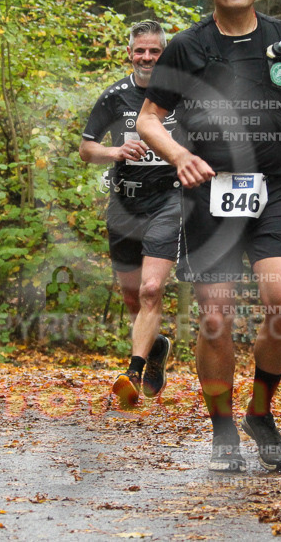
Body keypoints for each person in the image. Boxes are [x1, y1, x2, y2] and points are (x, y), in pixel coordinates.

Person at [136, 0, 281, 472]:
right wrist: (178, 156)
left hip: (270, 188)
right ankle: (223, 427)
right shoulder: (186, 47)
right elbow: (149, 118)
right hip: (208, 194)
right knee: (217, 318)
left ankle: (261, 412)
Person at [80, 20, 179, 408]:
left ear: (164, 54)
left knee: (151, 289)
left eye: (155, 51)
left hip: (170, 203)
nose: (147, 57)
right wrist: (114, 152)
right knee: (132, 298)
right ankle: (157, 348)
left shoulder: (180, 96)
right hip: (124, 204)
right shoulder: (115, 96)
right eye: (141, 50)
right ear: (129, 54)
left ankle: (133, 373)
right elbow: (87, 148)